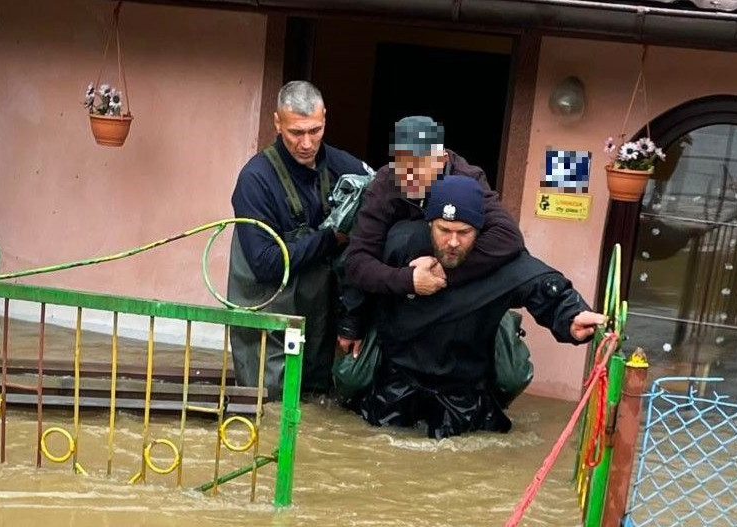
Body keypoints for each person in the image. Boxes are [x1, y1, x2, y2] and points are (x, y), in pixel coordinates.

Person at [351, 175, 606, 439]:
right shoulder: (401, 243)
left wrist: (571, 316)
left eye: (463, 232)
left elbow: (541, 284)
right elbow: (362, 277)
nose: (452, 242)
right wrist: (354, 323)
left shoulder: (501, 263)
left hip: (464, 389)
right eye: (444, 230)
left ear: (480, 230)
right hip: (397, 382)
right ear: (429, 224)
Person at [227, 81, 372, 396]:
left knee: (320, 404)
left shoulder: (344, 168)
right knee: (270, 408)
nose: (307, 143)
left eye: (315, 131)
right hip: (268, 319)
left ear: (324, 120)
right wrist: (332, 238)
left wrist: (353, 321)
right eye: (296, 133)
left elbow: (377, 220)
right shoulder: (255, 180)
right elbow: (266, 263)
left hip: (321, 321)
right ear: (277, 123)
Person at [338, 116, 525, 355]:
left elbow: (508, 236)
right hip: (395, 301)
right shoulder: (385, 181)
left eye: (419, 166)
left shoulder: (467, 178)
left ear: (441, 160)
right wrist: (408, 280)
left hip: (458, 299)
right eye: (402, 165)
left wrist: (442, 268)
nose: (409, 176)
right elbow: (357, 261)